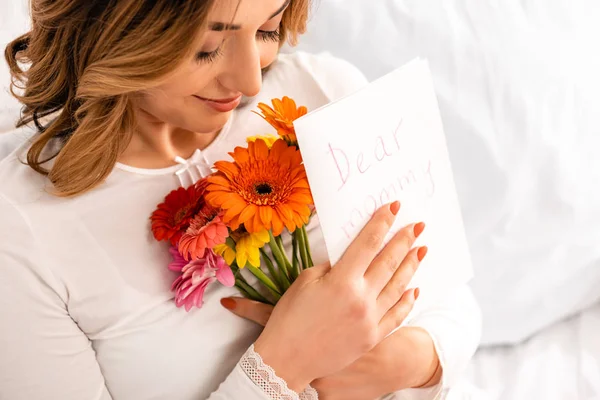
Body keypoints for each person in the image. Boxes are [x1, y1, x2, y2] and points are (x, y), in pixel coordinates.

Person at [0, 0, 481, 399]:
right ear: (115, 30)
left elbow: (450, 297)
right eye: (208, 49)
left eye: (267, 30)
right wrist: (283, 366)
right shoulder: (24, 231)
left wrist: (403, 361)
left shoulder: (322, 92)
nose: (250, 81)